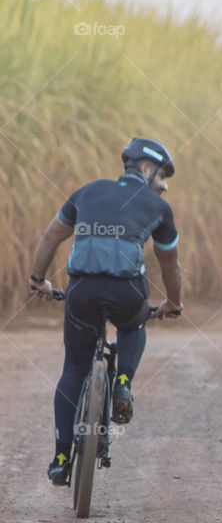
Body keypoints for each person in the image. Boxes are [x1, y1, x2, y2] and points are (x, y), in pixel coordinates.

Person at [30, 137, 184, 486]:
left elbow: (51, 237)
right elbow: (171, 265)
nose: (164, 185)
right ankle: (124, 384)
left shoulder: (87, 192)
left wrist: (37, 279)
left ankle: (59, 458)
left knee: (73, 367)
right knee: (135, 322)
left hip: (81, 291)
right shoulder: (158, 208)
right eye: (162, 176)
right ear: (146, 169)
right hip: (126, 293)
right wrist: (172, 303)